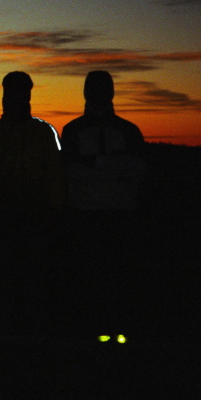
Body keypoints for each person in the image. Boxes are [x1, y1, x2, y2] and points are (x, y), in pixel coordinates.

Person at [0, 71, 65, 334]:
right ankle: (11, 340)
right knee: (6, 286)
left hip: (31, 221)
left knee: (29, 285)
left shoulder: (40, 133)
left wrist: (52, 213)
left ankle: (24, 340)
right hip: (4, 221)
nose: (15, 97)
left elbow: (56, 176)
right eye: (12, 92)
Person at [60, 70, 145, 341]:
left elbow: (138, 170)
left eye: (103, 88)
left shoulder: (129, 130)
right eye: (93, 88)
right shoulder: (72, 130)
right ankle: (91, 332)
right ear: (86, 92)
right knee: (88, 279)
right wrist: (113, 166)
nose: (98, 93)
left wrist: (95, 164)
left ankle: (120, 331)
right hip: (85, 218)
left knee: (119, 278)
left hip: (119, 216)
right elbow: (70, 172)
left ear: (111, 92)